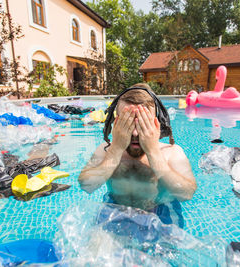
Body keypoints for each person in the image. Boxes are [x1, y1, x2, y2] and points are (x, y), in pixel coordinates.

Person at [78, 83, 197, 227]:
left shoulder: (171, 152)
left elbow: (186, 194)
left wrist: (153, 153)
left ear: (156, 124)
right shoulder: (106, 150)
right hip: (115, 207)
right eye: (127, 123)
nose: (135, 133)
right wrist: (115, 150)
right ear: (117, 124)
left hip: (159, 212)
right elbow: (86, 186)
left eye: (142, 124)